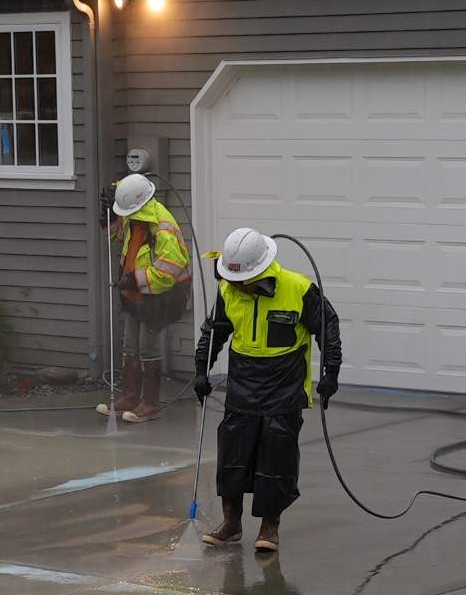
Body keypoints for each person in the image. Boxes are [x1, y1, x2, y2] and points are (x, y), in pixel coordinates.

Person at [194, 228, 340, 554]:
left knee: (278, 456)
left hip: (284, 384)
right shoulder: (228, 289)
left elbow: (329, 329)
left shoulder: (299, 289)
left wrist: (332, 372)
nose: (233, 284)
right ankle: (231, 524)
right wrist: (200, 369)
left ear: (257, 271)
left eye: (239, 279)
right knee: (233, 455)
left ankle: (269, 528)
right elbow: (213, 332)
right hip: (243, 381)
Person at [101, 173, 191, 422]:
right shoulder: (134, 215)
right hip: (136, 293)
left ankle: (150, 403)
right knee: (130, 344)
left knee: (147, 346)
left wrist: (136, 279)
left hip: (161, 294)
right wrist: (107, 213)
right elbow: (117, 237)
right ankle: (130, 397)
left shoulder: (161, 226)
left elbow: (168, 270)